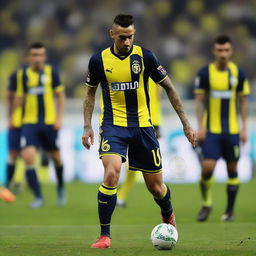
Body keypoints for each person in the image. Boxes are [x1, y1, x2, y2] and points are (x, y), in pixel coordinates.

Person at [82, 14, 196, 249]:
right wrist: (87, 126)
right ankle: (105, 235)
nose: (127, 42)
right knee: (111, 174)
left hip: (143, 127)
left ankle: (168, 214)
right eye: (122, 37)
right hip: (113, 126)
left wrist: (186, 123)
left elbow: (170, 89)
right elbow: (90, 93)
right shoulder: (98, 60)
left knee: (156, 187)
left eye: (130, 37)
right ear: (112, 34)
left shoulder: (146, 57)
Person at [194, 35, 250, 222]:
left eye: (226, 50)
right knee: (207, 168)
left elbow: (243, 102)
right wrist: (200, 126)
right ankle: (206, 203)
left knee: (232, 168)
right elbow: (200, 102)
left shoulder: (238, 74)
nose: (223, 54)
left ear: (231, 51)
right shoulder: (204, 73)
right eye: (220, 50)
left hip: (232, 131)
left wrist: (244, 128)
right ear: (214, 51)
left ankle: (229, 211)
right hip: (212, 130)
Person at [12, 42, 66, 208]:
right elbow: (20, 98)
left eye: (41, 55)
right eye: (34, 55)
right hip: (30, 122)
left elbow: (60, 96)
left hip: (49, 122)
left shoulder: (51, 72)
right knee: (29, 157)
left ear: (45, 56)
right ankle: (38, 196)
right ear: (29, 57)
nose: (38, 58)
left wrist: (59, 118)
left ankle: (61, 188)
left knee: (56, 157)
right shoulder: (23, 75)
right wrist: (14, 117)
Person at [116, 79, 163, 207]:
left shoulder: (133, 66)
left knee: (139, 159)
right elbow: (159, 94)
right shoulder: (153, 67)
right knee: (138, 159)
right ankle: (121, 195)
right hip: (148, 119)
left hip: (143, 118)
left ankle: (121, 194)